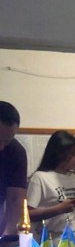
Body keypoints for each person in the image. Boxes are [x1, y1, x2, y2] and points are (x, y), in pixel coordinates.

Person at [26, 130, 75, 243]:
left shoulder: (73, 176)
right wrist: (59, 209)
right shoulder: (40, 177)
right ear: (60, 153)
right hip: (54, 240)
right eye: (73, 154)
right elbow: (28, 214)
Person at [0, 101, 26, 237]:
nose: (1, 148)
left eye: (7, 141)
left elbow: (16, 199)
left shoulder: (16, 152)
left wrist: (6, 235)